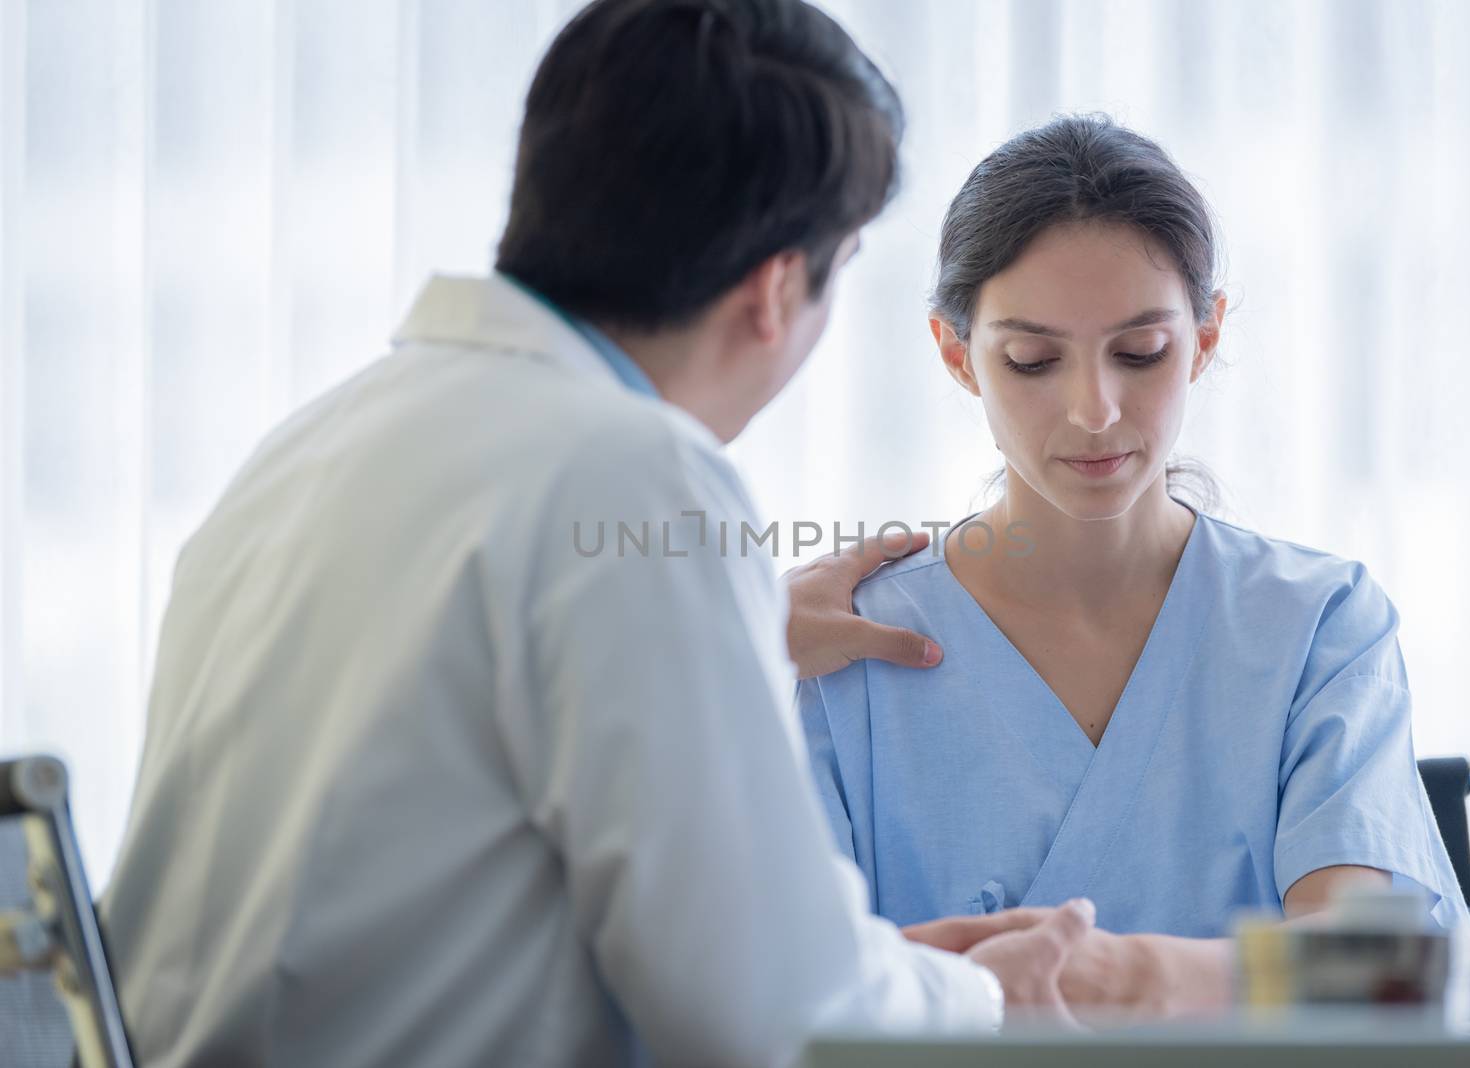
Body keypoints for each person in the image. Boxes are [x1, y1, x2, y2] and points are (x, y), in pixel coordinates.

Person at [98, 4, 1099, 1065]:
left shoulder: (316, 442)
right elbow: (768, 1013)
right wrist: (978, 1000)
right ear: (773, 290)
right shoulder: (636, 475)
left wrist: (741, 639)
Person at [790, 114, 1470, 1020]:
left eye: (1140, 353)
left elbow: (1383, 978)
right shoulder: (841, 652)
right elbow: (783, 996)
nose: (1096, 411)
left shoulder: (1315, 625)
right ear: (957, 355)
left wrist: (1122, 980)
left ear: (1207, 333)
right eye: (1032, 360)